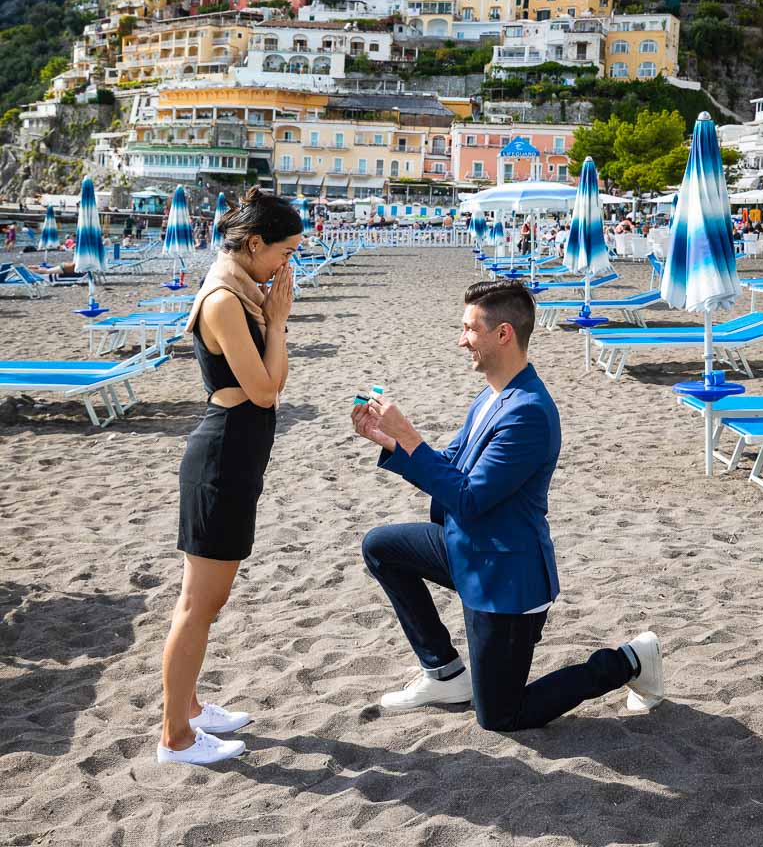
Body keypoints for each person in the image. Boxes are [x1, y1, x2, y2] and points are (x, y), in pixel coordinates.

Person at [352, 280, 663, 732]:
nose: (461, 340)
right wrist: (392, 440)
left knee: (501, 716)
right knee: (381, 547)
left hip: (507, 578)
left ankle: (630, 660)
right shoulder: (493, 395)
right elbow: (452, 467)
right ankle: (443, 672)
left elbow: (469, 499)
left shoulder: (528, 412)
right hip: (468, 547)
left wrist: (411, 437)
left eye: (469, 329)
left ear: (503, 334)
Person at [157, 189, 302, 767]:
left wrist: (275, 324)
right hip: (220, 459)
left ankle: (190, 708)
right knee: (199, 604)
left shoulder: (247, 295)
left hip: (237, 458)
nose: (287, 264)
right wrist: (279, 322)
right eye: (285, 252)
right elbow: (264, 390)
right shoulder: (223, 299)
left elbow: (275, 381)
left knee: (206, 601)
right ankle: (175, 737)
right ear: (255, 243)